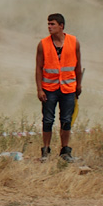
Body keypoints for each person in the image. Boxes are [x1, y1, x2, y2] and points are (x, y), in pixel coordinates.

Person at [36, 13, 83, 163]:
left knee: (66, 120)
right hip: (49, 88)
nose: (49, 27)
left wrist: (79, 85)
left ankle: (65, 151)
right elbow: (38, 68)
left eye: (52, 24)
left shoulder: (74, 42)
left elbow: (78, 65)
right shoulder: (43, 44)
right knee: (48, 120)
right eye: (48, 24)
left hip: (68, 88)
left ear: (61, 26)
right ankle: (45, 151)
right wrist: (39, 89)